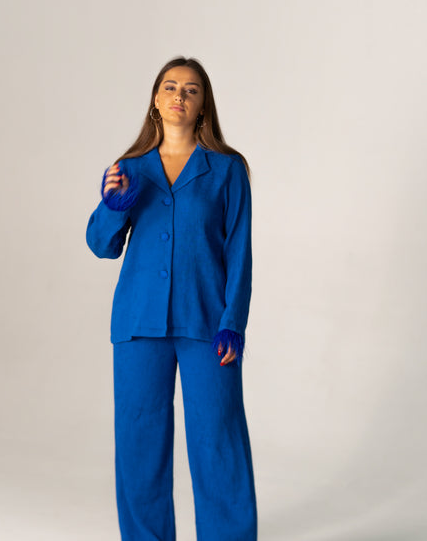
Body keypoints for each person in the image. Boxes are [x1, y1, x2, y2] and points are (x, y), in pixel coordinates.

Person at [86, 56, 257, 541]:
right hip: (139, 324)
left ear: (203, 106)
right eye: (170, 86)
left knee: (218, 438)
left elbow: (239, 254)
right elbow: (101, 245)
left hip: (208, 324)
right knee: (139, 442)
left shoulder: (228, 170)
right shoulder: (129, 169)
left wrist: (234, 321)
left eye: (191, 89)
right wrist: (113, 206)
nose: (179, 95)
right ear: (156, 101)